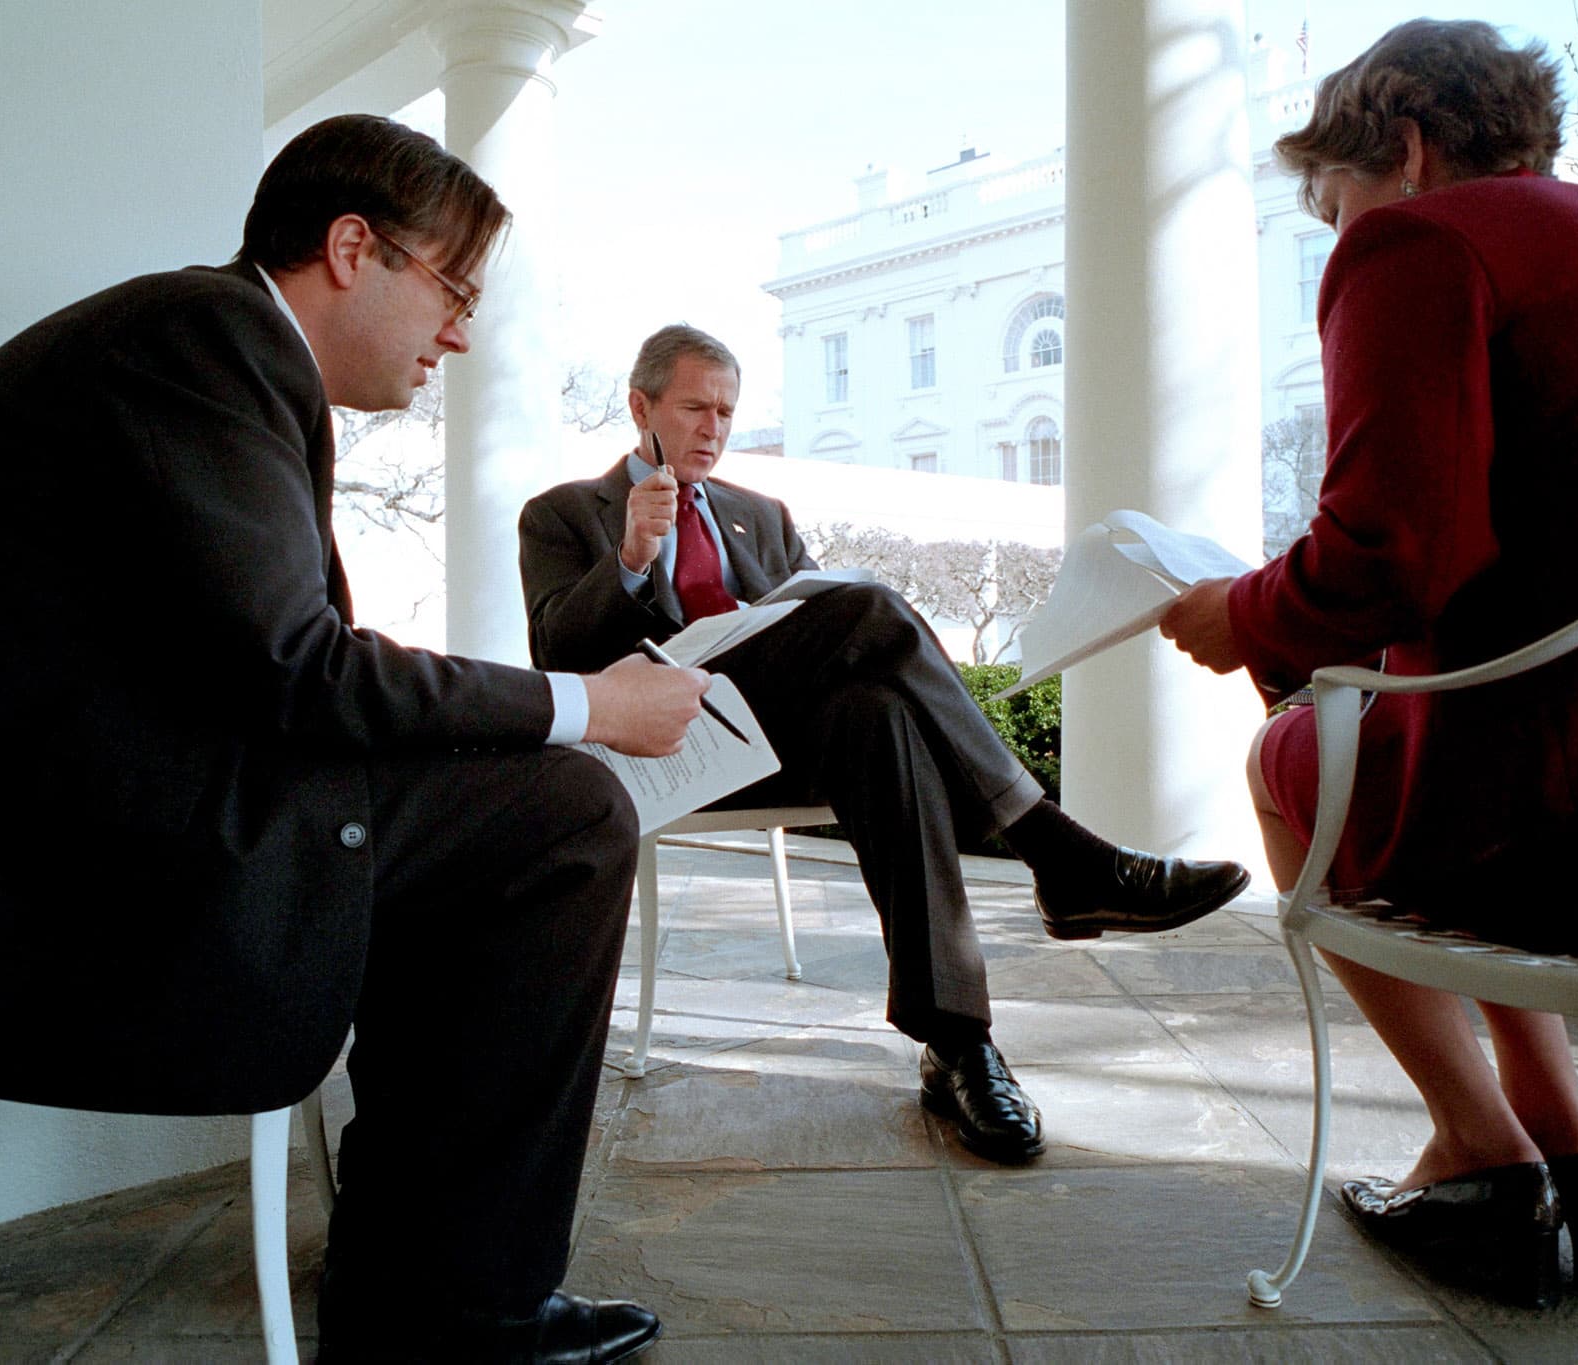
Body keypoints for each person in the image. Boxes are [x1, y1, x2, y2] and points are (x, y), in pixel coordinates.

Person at [0, 115, 709, 1362]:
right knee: (563, 815)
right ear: (353, 248)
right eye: (452, 289)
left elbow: (255, 666)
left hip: (72, 827)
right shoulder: (206, 340)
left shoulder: (195, 347)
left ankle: (420, 1263)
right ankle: (457, 1305)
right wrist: (590, 707)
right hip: (35, 891)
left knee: (500, 802)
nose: (459, 331)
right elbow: (299, 668)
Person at [1160, 19, 1578, 1307]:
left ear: (1398, 150)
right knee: (1456, 762)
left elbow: (1389, 561)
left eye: (1333, 203)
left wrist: (1244, 617)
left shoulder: (1419, 241)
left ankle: (1476, 1147)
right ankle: (1565, 1147)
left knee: (1298, 756)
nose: (1338, 233)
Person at [518, 325, 1253, 1164]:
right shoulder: (564, 514)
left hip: (779, 744)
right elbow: (557, 657)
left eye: (726, 410)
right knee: (870, 607)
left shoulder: (762, 516)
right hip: (664, 752)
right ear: (641, 406)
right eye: (694, 407)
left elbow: (816, 638)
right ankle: (1053, 849)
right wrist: (631, 556)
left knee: (877, 713)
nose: (713, 428)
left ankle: (958, 1043)